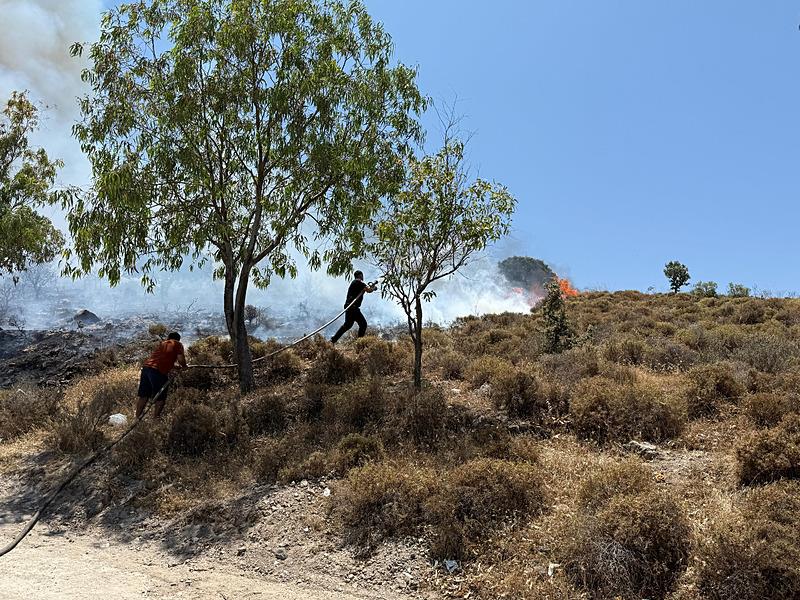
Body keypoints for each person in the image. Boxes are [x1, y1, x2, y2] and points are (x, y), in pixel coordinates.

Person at [136, 331, 187, 419]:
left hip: (146, 368)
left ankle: (137, 417)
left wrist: (176, 367)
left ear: (168, 338)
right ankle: (156, 419)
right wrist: (184, 366)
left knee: (144, 395)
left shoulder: (163, 344)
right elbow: (181, 359)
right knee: (161, 397)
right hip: (157, 371)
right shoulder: (178, 344)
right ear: (178, 339)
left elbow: (161, 360)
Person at [331, 271, 376, 344]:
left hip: (349, 306)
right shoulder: (359, 282)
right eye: (362, 275)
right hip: (353, 307)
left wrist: (371, 287)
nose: (363, 277)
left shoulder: (355, 283)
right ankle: (360, 343)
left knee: (347, 325)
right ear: (360, 275)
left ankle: (333, 340)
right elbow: (369, 290)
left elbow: (366, 289)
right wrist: (373, 288)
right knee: (363, 324)